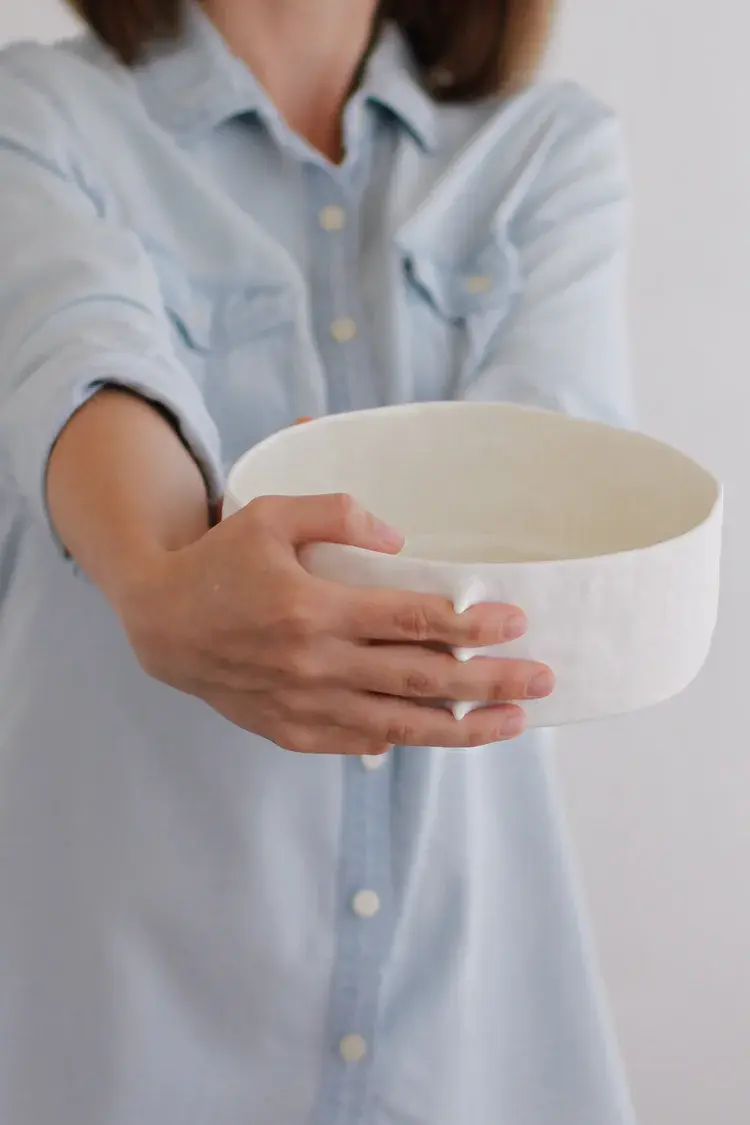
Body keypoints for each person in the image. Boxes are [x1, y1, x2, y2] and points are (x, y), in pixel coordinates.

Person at [0, 1, 637, 1123]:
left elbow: (560, 497)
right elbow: (75, 339)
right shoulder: (38, 115)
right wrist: (161, 575)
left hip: (472, 1053)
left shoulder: (544, 151)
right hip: (117, 1042)